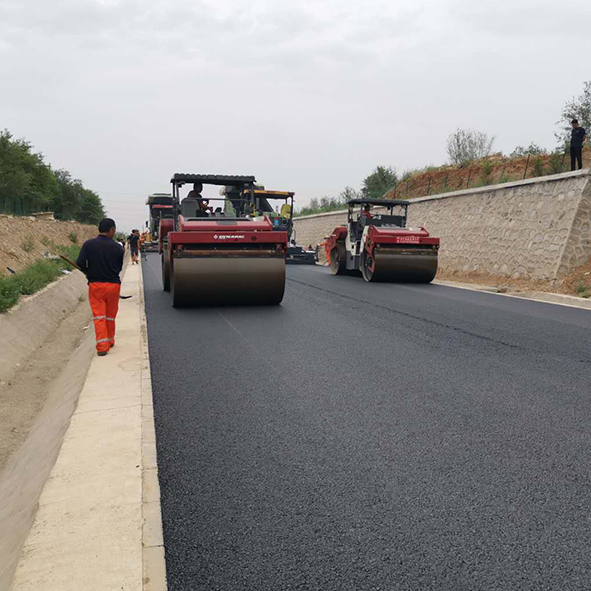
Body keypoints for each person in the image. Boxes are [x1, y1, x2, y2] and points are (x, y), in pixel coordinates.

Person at [76, 218, 124, 357]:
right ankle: (110, 340)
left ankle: (102, 347)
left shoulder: (88, 245)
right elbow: (119, 267)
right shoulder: (117, 247)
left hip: (96, 285)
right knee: (110, 316)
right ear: (111, 230)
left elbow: (80, 262)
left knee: (99, 317)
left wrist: (89, 272)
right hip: (113, 286)